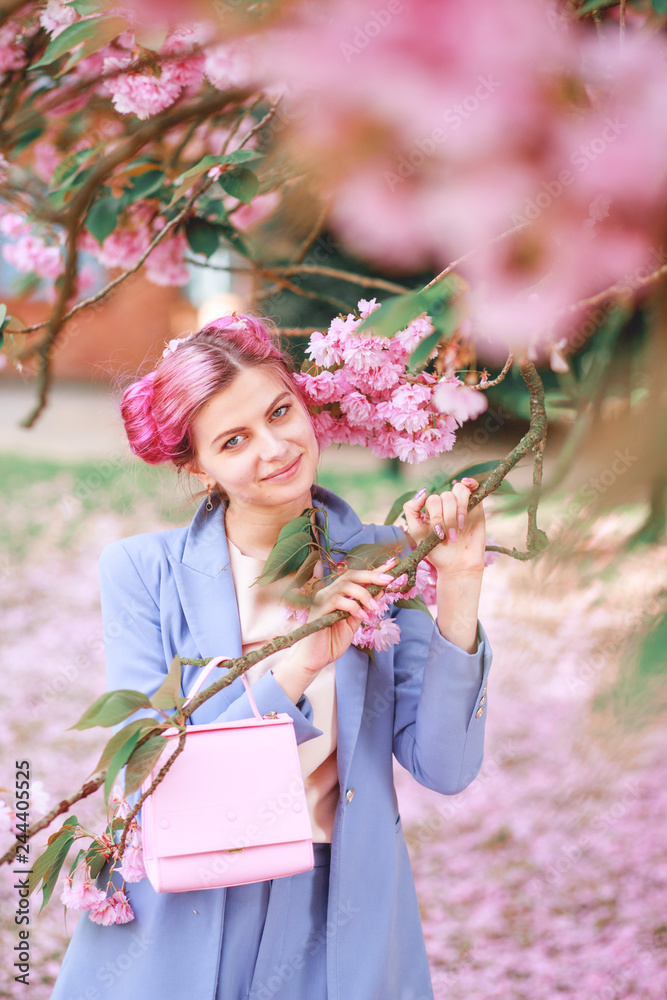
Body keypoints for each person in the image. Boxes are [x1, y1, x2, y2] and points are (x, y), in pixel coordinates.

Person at [49, 312, 493, 1000]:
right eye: (234, 440)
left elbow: (445, 766)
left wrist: (459, 584)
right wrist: (299, 666)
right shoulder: (142, 572)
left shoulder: (380, 560)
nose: (276, 447)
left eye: (280, 411)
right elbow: (150, 770)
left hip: (335, 908)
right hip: (184, 905)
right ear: (197, 464)